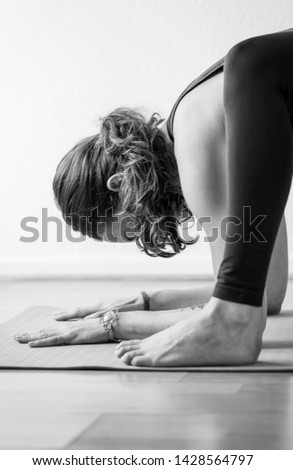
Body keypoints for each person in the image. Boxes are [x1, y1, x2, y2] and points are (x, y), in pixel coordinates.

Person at [15, 28, 292, 367]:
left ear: (122, 185)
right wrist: (146, 301)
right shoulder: (206, 120)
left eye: (133, 229)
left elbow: (239, 316)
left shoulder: (196, 139)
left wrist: (113, 325)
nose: (147, 232)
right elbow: (268, 291)